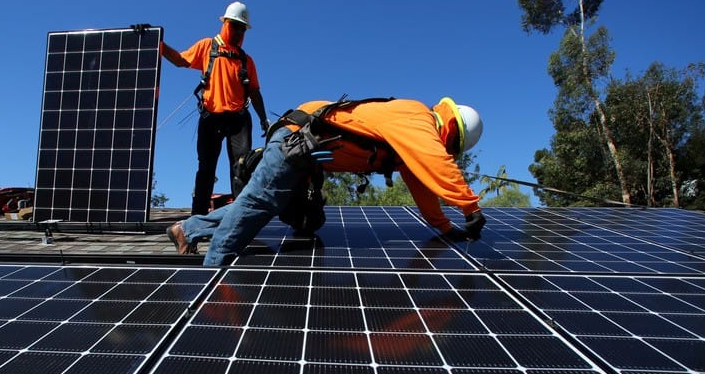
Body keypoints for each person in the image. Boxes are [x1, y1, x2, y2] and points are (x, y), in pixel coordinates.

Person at [166, 96, 486, 265]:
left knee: (277, 206)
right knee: (259, 202)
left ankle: (188, 229)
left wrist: (445, 228)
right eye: (452, 144)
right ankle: (214, 271)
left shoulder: (411, 141)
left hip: (302, 153)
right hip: (295, 140)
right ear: (450, 129)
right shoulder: (418, 118)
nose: (448, 150)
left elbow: (422, 184)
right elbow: (435, 162)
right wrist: (470, 207)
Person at [161, 1, 270, 216]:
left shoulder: (246, 60)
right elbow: (180, 60)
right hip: (211, 118)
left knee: (241, 168)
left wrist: (263, 120)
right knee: (206, 169)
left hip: (238, 120)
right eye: (235, 26)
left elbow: (255, 92)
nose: (238, 32)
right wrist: (158, 43)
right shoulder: (207, 47)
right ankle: (198, 219)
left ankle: (240, 218)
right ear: (225, 23)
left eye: (242, 28)